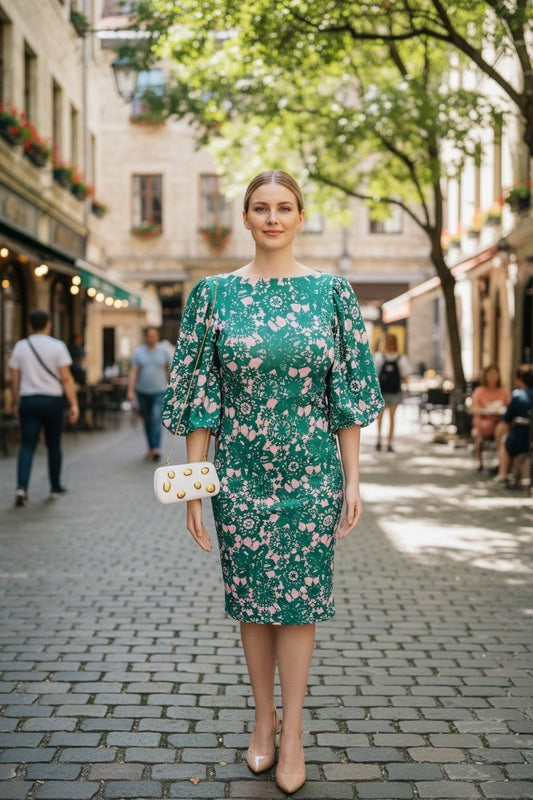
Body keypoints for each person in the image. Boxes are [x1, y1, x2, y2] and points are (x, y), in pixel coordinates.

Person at [162, 170, 384, 795]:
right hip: (240, 474)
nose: (273, 219)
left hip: (312, 474)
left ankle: (294, 734)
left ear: (301, 216)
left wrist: (353, 480)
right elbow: (201, 397)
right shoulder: (213, 295)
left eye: (284, 208)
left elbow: (345, 395)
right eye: (261, 208)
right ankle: (264, 719)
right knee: (253, 602)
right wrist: (195, 486)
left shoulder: (332, 293)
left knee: (300, 603)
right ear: (245, 217)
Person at [8, 309, 79, 506]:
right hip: (52, 401)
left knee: (27, 445)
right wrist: (74, 404)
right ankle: (55, 487)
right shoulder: (58, 346)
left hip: (29, 400)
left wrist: (16, 401)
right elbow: (66, 378)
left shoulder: (20, 347)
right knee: (53, 444)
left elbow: (14, 379)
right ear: (48, 324)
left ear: (30, 325)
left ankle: (21, 487)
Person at [127, 326, 171, 460]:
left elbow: (169, 369)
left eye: (154, 336)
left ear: (157, 337)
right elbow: (133, 372)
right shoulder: (139, 352)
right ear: (145, 337)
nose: (152, 339)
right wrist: (130, 390)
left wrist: (172, 388)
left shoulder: (164, 351)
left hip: (159, 391)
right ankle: (151, 447)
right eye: (149, 336)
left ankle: (156, 447)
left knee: (156, 418)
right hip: (143, 392)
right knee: (147, 420)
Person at [493, 364, 533, 484]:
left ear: (519, 379)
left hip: (523, 435)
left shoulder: (518, 395)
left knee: (505, 440)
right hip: (528, 435)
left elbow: (507, 417)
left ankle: (503, 473)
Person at [373, 332, 411, 452]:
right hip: (395, 391)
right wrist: (408, 389)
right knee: (392, 418)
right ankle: (389, 442)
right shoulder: (401, 358)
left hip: (381, 392)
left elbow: (374, 375)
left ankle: (379, 440)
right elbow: (405, 376)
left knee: (380, 417)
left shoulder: (379, 357)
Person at [469, 364, 510, 471]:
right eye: (490, 374)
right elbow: (474, 408)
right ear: (485, 376)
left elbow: (509, 407)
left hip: (499, 420)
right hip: (484, 420)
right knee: (481, 427)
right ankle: (478, 458)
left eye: (495, 374)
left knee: (502, 428)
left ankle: (500, 459)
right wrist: (485, 409)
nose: (492, 377)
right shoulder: (479, 391)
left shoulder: (504, 391)